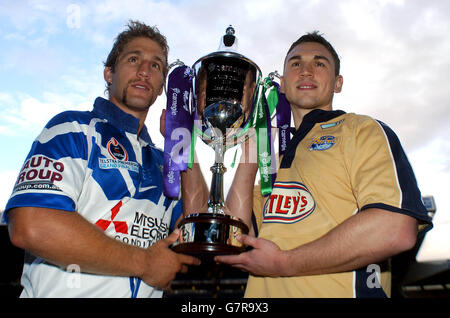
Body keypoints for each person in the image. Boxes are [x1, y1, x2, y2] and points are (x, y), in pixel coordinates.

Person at [216, 31, 433, 298]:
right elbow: (236, 236)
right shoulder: (275, 164)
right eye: (295, 63)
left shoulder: (361, 130)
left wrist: (285, 263)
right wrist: (253, 142)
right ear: (282, 84)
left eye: (319, 63)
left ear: (338, 82)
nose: (306, 71)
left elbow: (395, 229)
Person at [2, 20, 206, 298]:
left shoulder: (166, 162)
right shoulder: (73, 129)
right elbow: (32, 225)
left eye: (156, 66)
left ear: (161, 88)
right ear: (109, 73)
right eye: (134, 59)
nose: (145, 71)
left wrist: (184, 143)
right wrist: (144, 263)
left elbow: (197, 225)